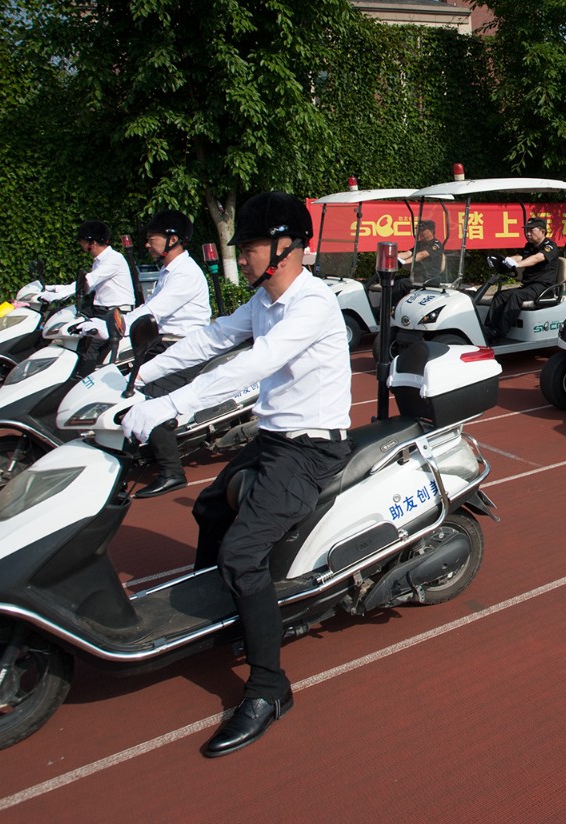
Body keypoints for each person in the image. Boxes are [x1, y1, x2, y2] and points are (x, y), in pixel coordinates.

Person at [121, 191, 351, 758]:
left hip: (310, 449)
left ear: (285, 247)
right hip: (274, 440)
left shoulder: (312, 303)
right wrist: (138, 374)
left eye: (248, 247)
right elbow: (212, 338)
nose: (240, 258)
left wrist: (173, 405)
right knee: (208, 508)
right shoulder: (264, 300)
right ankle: (224, 616)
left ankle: (270, 689)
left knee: (242, 554)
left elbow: (254, 363)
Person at [129, 210, 214, 500]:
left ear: (172, 239)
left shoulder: (185, 273)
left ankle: (172, 472)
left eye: (151, 238)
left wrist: (114, 326)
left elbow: (154, 311)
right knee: (128, 386)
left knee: (150, 399)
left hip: (185, 349)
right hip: (163, 346)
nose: (147, 244)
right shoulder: (169, 271)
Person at [484, 217, 559, 342]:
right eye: (526, 231)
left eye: (531, 230)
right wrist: (505, 261)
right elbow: (520, 256)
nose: (527, 233)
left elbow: (536, 258)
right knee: (500, 295)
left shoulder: (550, 246)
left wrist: (517, 265)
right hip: (529, 287)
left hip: (544, 288)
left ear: (542, 231)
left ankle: (499, 332)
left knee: (516, 296)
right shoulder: (529, 246)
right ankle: (488, 329)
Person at [77, 220, 139, 321]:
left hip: (116, 314)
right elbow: (88, 287)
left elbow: (87, 281)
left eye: (82, 240)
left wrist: (57, 294)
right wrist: (54, 288)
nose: (80, 243)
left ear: (92, 242)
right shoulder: (99, 261)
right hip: (103, 311)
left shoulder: (113, 259)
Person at [391, 220, 444, 305]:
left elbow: (421, 255)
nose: (420, 232)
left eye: (422, 230)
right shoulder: (419, 244)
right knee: (392, 279)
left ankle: (391, 307)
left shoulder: (436, 245)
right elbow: (408, 253)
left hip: (429, 278)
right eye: (419, 230)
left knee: (402, 283)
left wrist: (403, 262)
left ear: (431, 230)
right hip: (417, 276)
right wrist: (393, 257)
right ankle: (387, 306)